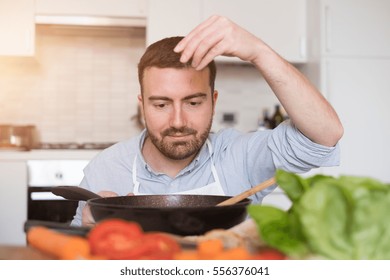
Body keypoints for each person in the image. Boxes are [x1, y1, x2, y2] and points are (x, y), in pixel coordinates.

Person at [71, 16, 343, 227]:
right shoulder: (104, 169)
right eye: (162, 104)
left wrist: (258, 52)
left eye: (193, 103)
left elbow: (325, 135)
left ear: (214, 100)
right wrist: (90, 233)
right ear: (142, 105)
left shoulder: (241, 156)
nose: (178, 121)